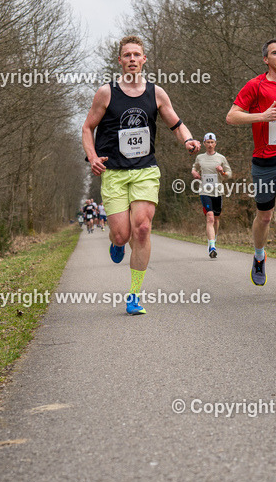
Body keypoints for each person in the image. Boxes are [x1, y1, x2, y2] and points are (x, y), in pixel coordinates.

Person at [82, 35, 200, 315]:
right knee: (122, 235)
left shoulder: (156, 93)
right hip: (114, 172)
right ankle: (117, 243)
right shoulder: (106, 93)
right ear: (120, 61)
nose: (132, 59)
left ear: (144, 60)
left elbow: (176, 123)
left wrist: (188, 140)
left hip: (146, 170)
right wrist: (92, 156)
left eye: (137, 55)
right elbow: (88, 128)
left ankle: (134, 295)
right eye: (127, 55)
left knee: (143, 229)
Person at [225, 37, 276, 293]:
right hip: (265, 163)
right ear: (266, 59)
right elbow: (231, 116)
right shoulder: (255, 85)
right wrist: (261, 116)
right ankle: (260, 256)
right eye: (275, 53)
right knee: (265, 216)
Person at [191, 133, 232, 258]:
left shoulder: (221, 158)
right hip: (205, 191)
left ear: (215, 143)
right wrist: (194, 172)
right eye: (207, 142)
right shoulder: (200, 158)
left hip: (217, 191)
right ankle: (212, 246)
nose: (209, 145)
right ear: (204, 144)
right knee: (210, 217)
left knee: (216, 218)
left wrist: (222, 172)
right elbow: (194, 168)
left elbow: (229, 174)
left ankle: (213, 239)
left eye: (212, 142)